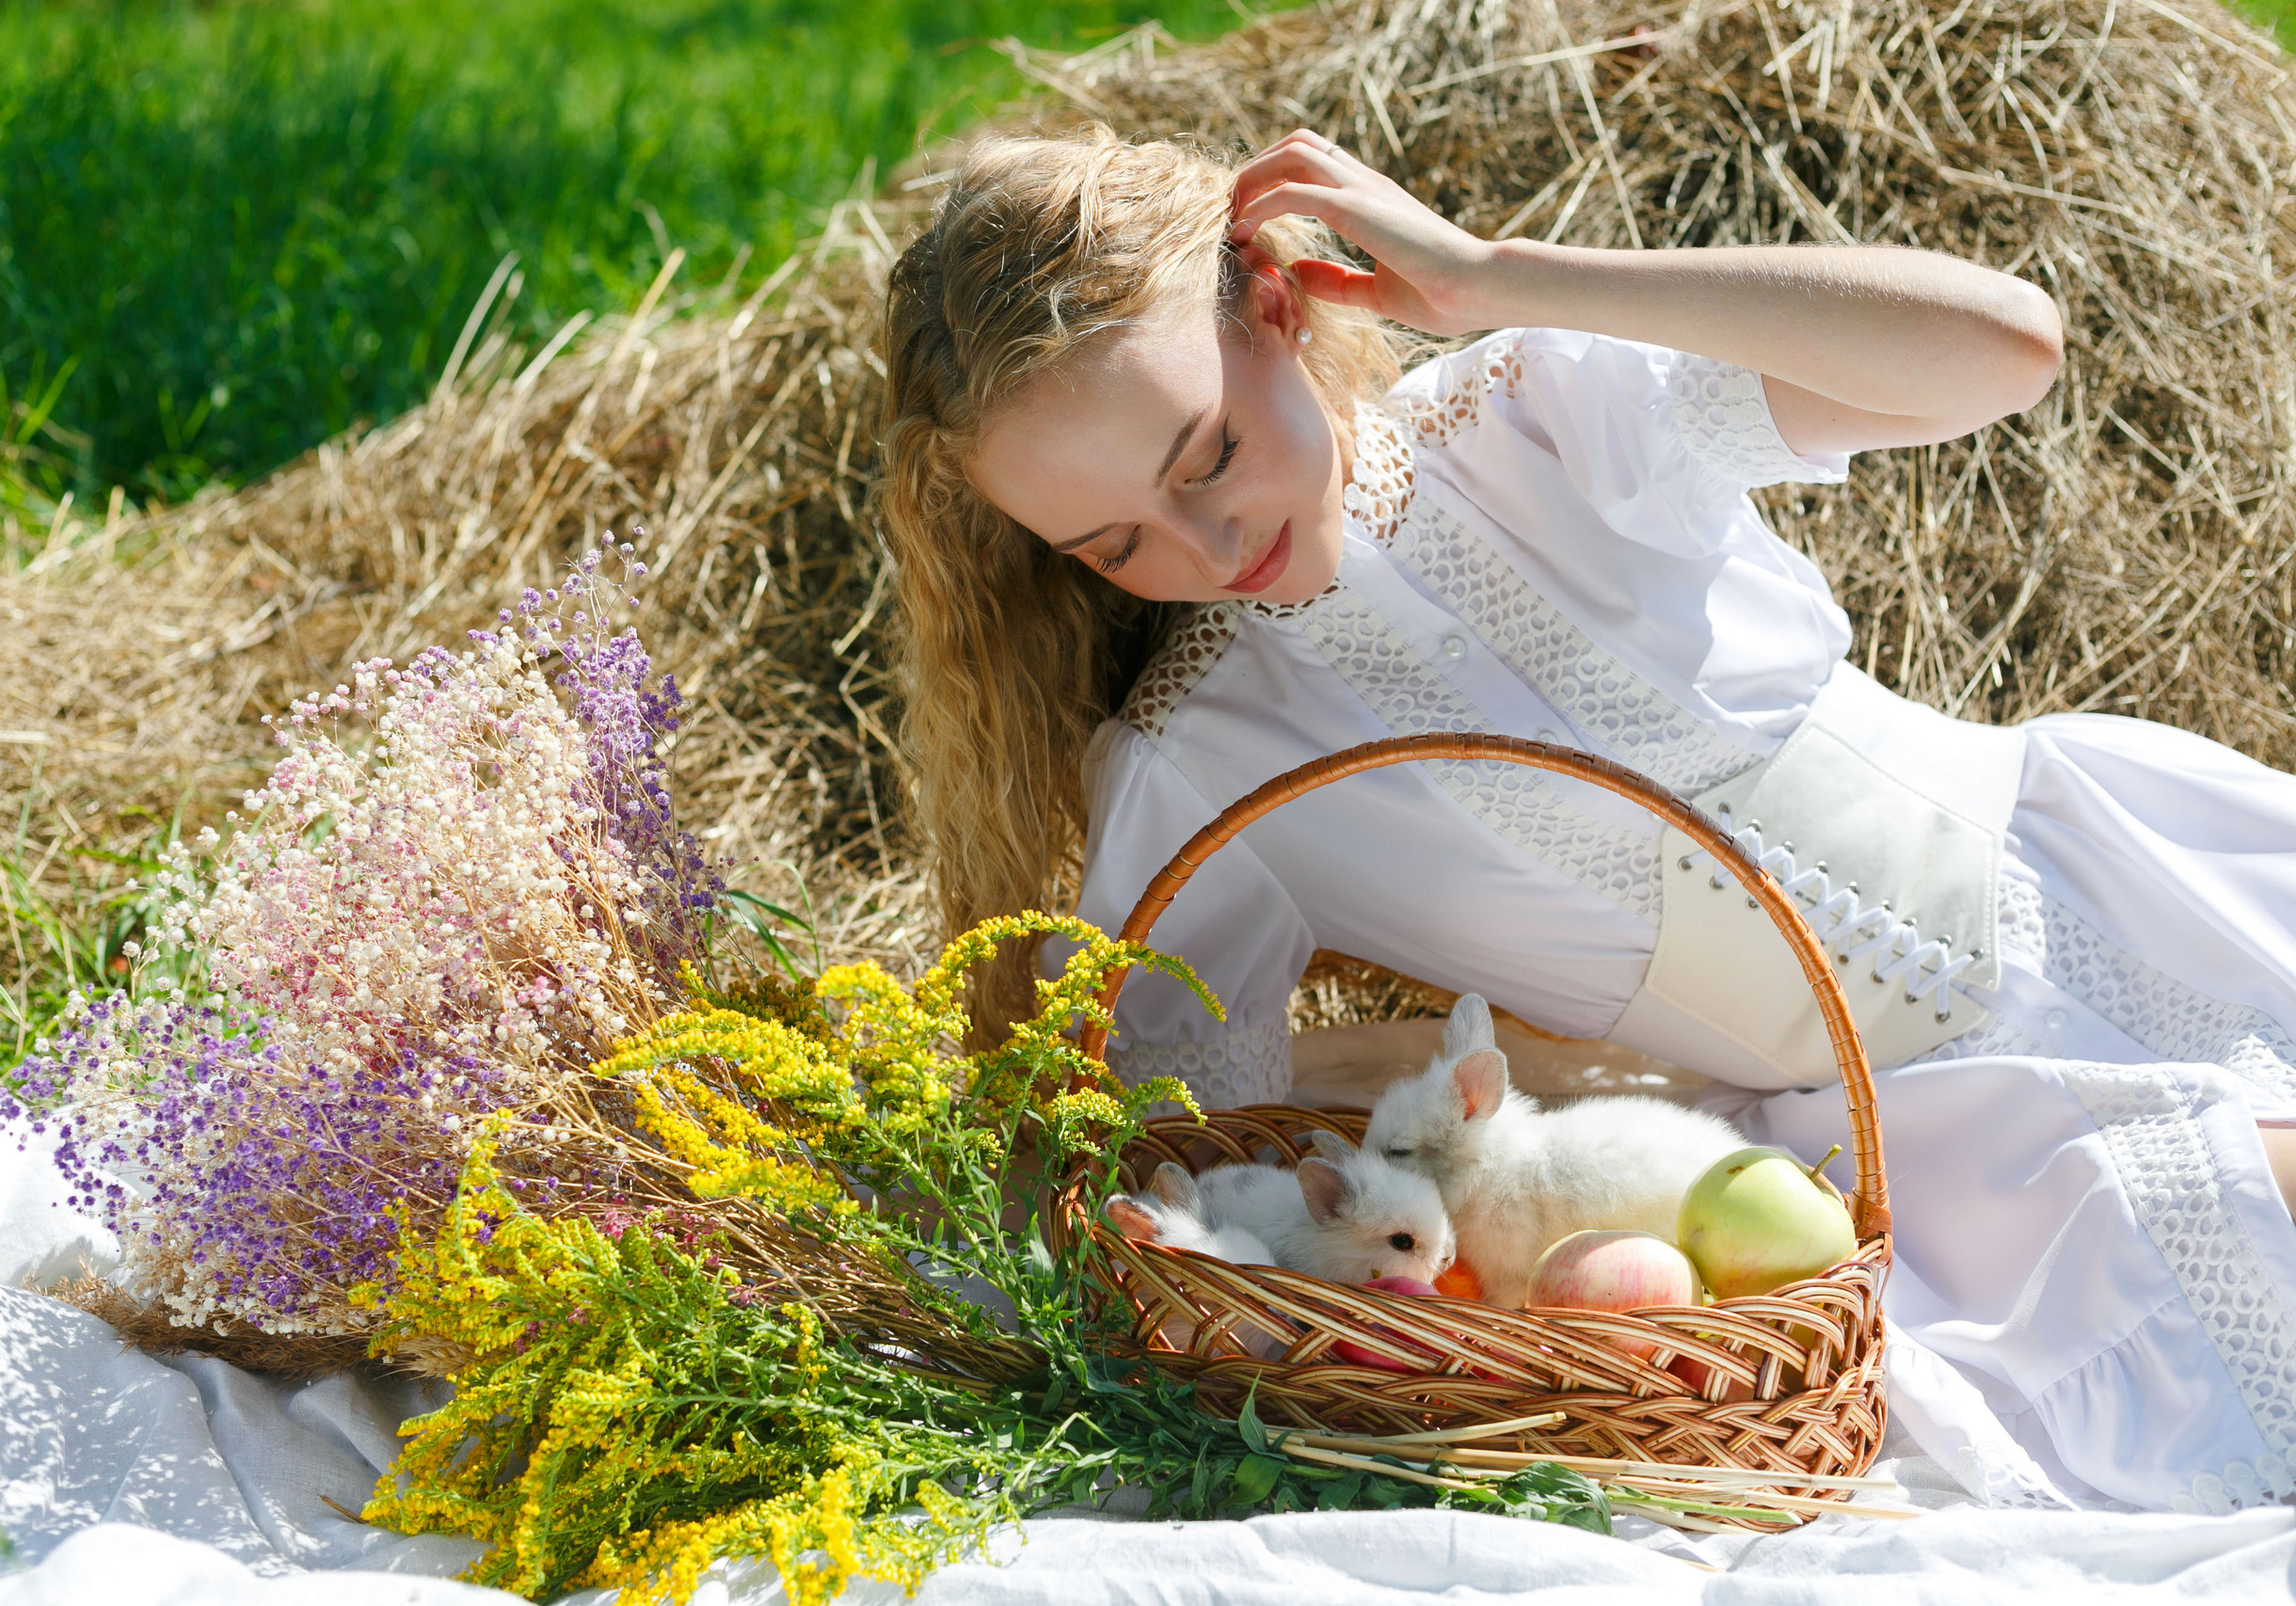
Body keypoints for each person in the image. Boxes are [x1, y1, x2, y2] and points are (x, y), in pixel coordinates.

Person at [878, 125, 2296, 1516]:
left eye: (1206, 456)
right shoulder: (1199, 765)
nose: (1201, 547)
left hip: (2124, 873)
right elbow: (1166, 1134)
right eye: (1115, 544)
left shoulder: (1538, 416)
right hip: (1932, 1153)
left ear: (1274, 305)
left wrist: (1503, 277)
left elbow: (2006, 350)